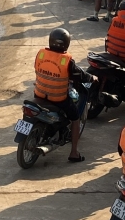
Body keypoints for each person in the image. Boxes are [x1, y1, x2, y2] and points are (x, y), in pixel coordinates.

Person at [34, 28, 95, 161]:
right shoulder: (66, 60)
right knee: (75, 118)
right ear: (66, 44)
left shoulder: (41, 54)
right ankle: (73, 153)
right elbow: (80, 74)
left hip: (39, 94)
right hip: (58, 99)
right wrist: (91, 78)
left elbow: (37, 68)